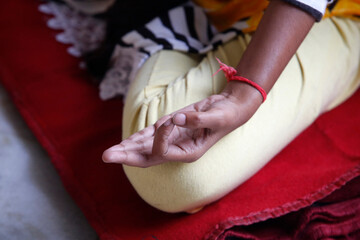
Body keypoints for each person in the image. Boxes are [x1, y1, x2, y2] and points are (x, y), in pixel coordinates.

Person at [69, 0, 360, 213]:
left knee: (177, 177)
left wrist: (245, 92)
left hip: (323, 13)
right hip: (202, 9)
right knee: (163, 157)